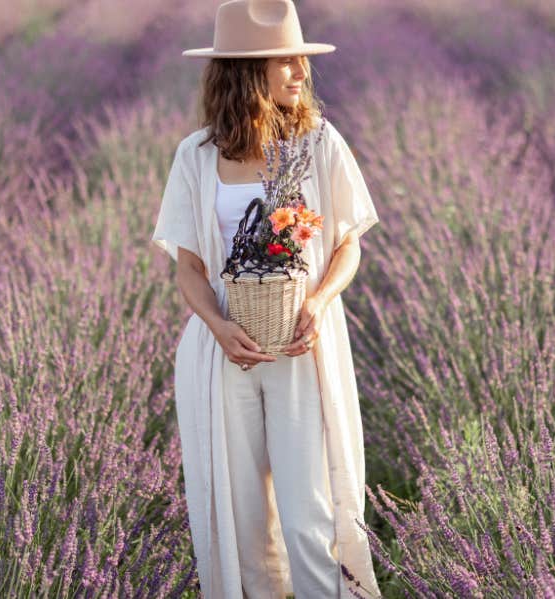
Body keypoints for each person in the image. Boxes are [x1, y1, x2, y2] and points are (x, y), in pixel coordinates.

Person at [150, 2, 382, 597]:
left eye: (302, 57)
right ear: (247, 71)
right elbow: (190, 269)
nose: (302, 69)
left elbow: (349, 246)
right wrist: (219, 328)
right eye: (287, 59)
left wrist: (321, 300)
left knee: (312, 518)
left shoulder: (319, 143)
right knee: (241, 520)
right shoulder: (196, 157)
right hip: (223, 353)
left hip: (303, 348)